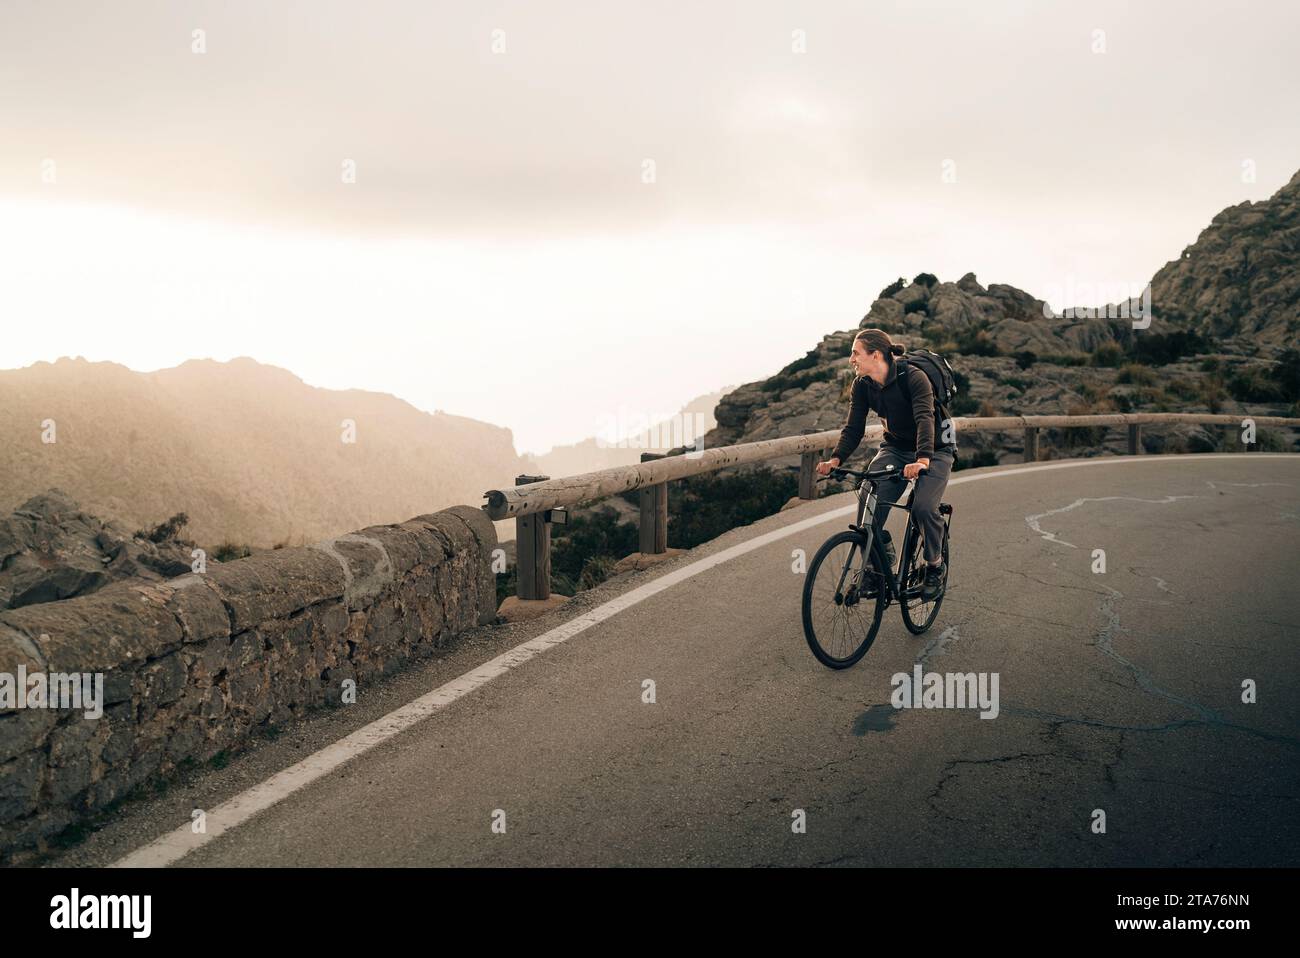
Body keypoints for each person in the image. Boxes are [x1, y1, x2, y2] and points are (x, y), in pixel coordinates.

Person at [815, 328, 956, 600]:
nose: (851, 359)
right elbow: (853, 428)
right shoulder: (863, 385)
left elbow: (925, 419)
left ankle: (934, 567)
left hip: (935, 449)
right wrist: (835, 459)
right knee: (869, 497)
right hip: (896, 448)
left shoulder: (914, 378)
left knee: (923, 507)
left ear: (875, 355)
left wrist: (923, 459)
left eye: (856, 353)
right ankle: (876, 562)